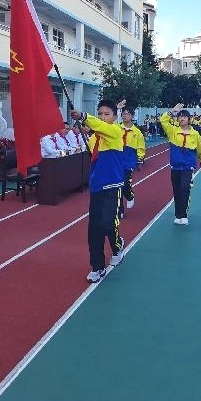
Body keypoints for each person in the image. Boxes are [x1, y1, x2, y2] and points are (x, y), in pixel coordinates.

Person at [70, 100, 126, 283]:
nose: (103, 117)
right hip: (96, 187)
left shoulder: (116, 131)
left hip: (113, 186)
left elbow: (100, 126)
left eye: (107, 114)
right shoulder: (95, 137)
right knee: (94, 229)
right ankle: (98, 266)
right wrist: (86, 129)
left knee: (108, 224)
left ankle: (117, 247)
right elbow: (94, 134)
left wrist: (84, 117)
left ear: (115, 117)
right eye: (100, 113)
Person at [160, 103, 201, 225]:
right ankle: (178, 214)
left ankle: (184, 215)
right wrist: (172, 111)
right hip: (175, 166)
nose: (181, 118)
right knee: (176, 190)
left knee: (185, 188)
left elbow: (200, 149)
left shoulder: (195, 134)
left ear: (189, 119)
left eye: (184, 117)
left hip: (188, 166)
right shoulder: (173, 131)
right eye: (179, 116)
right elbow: (163, 120)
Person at [118, 106, 146, 218]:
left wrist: (139, 161)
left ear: (132, 116)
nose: (125, 116)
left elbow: (141, 147)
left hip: (129, 160)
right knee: (117, 186)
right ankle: (119, 210)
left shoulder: (137, 132)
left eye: (128, 114)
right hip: (117, 159)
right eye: (124, 114)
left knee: (125, 183)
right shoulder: (116, 128)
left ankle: (130, 196)